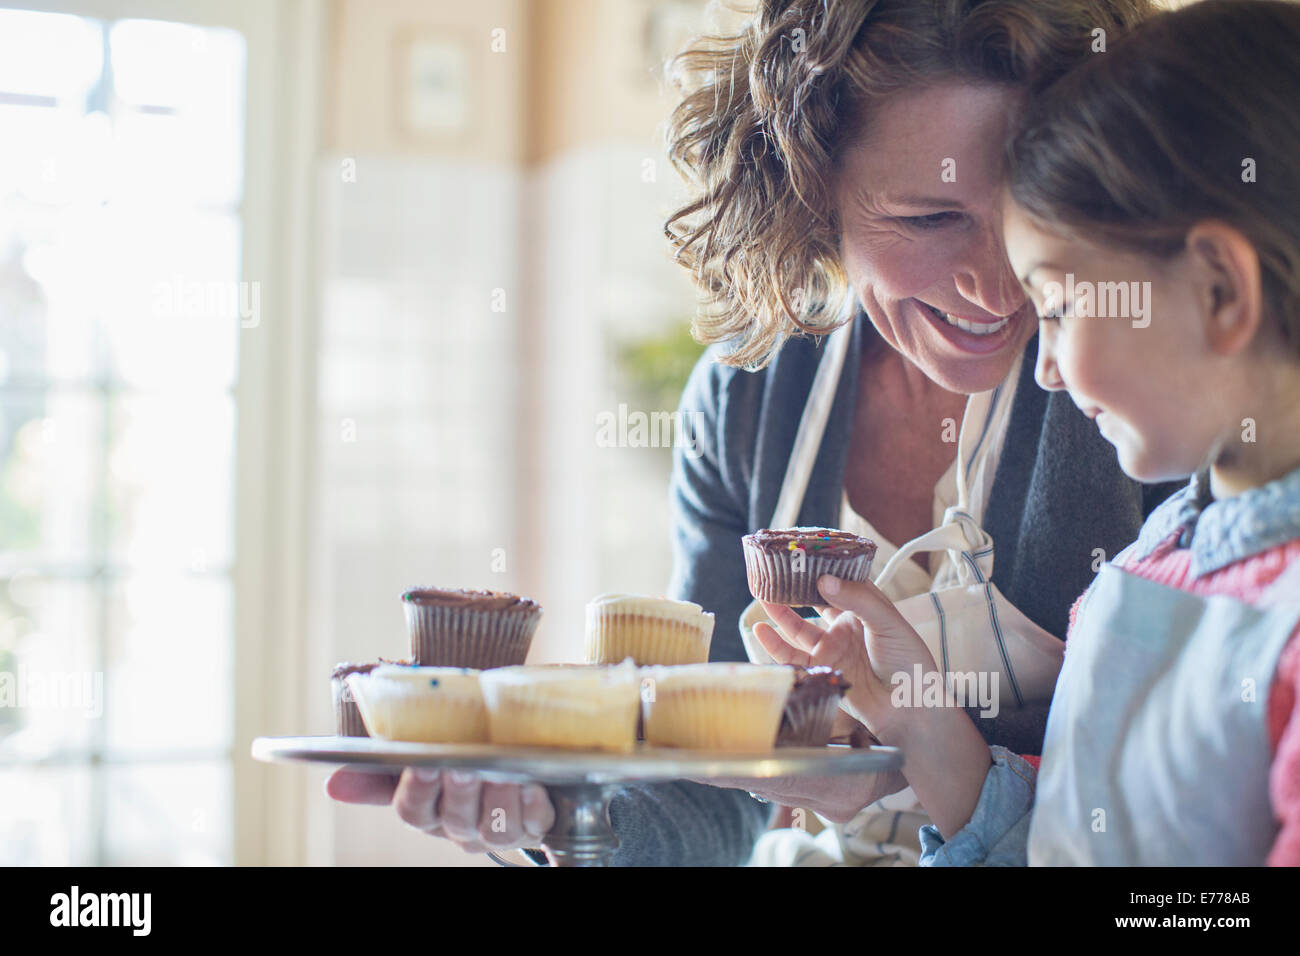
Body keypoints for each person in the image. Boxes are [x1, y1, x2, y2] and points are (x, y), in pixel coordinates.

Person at [325, 0, 1175, 866]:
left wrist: (912, 769)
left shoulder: (1146, 390)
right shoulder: (742, 406)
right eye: (929, 220)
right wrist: (554, 817)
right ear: (812, 192)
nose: (997, 286)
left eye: (1031, 207)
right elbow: (708, 797)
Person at [756, 0, 1300, 865]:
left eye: (1060, 301)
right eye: (931, 217)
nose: (1026, 342)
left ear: (1220, 292)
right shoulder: (1160, 554)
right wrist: (921, 724)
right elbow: (1074, 839)